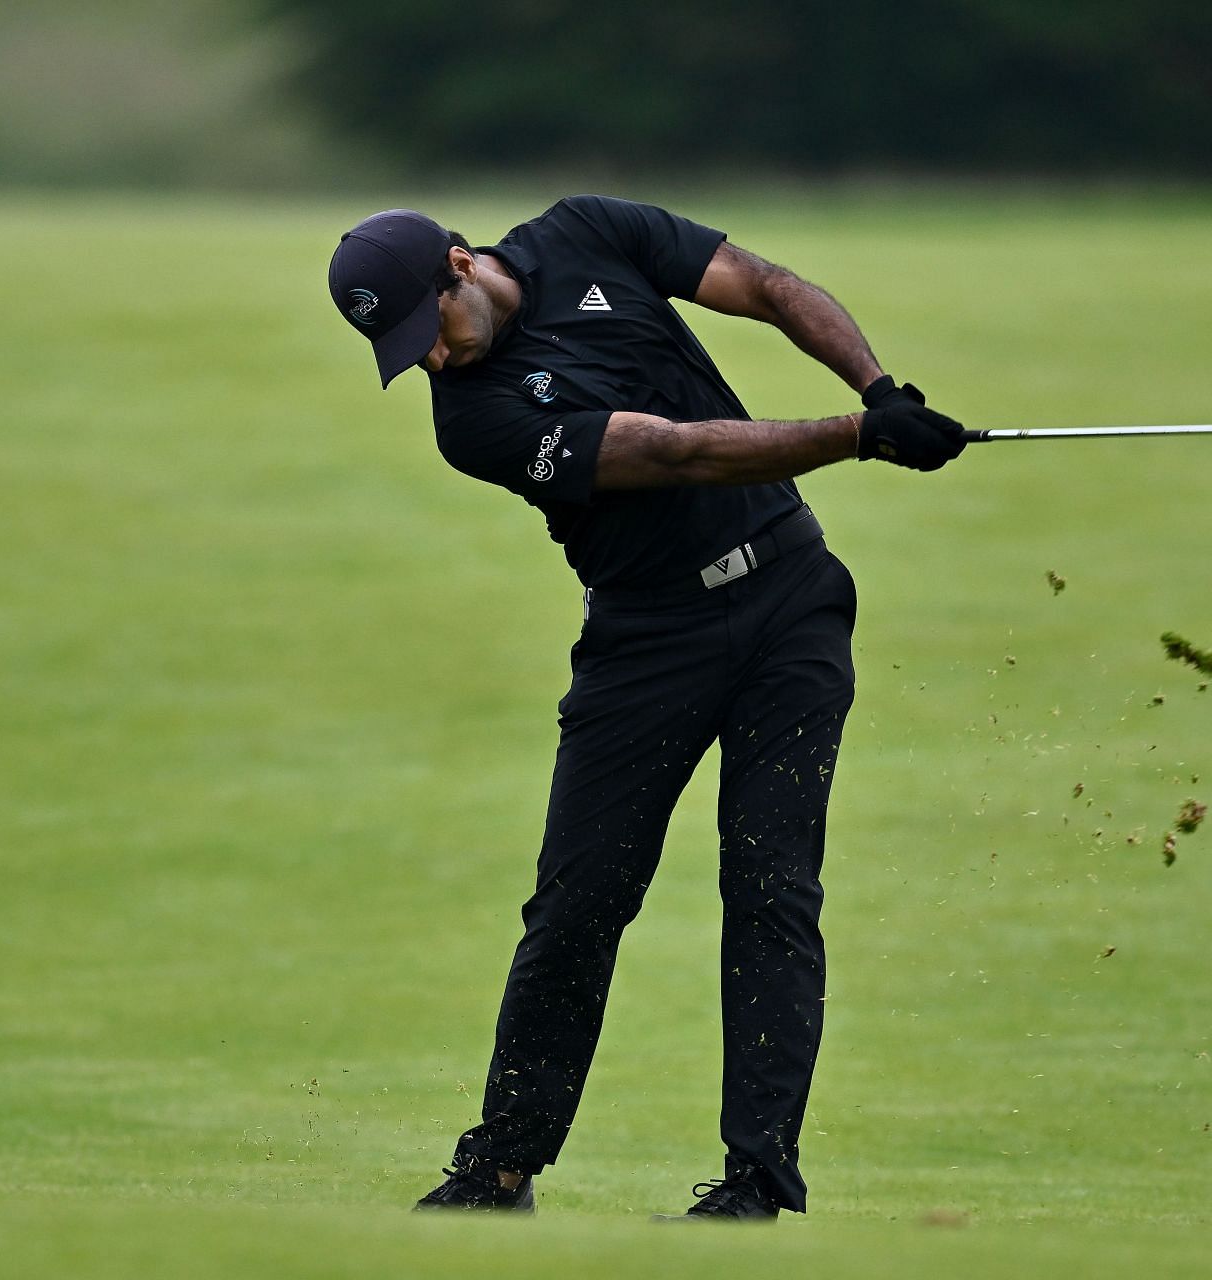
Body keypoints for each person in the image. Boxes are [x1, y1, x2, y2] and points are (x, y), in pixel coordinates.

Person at [326, 197, 966, 1219]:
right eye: (405, 354)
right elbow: (675, 452)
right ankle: (501, 1166)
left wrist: (879, 387)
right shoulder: (475, 420)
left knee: (771, 886)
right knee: (578, 902)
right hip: (645, 642)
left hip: (790, 601)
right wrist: (859, 435)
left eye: (429, 330)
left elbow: (764, 287)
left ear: (461, 266)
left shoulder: (587, 231)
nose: (434, 362)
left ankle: (758, 1179)